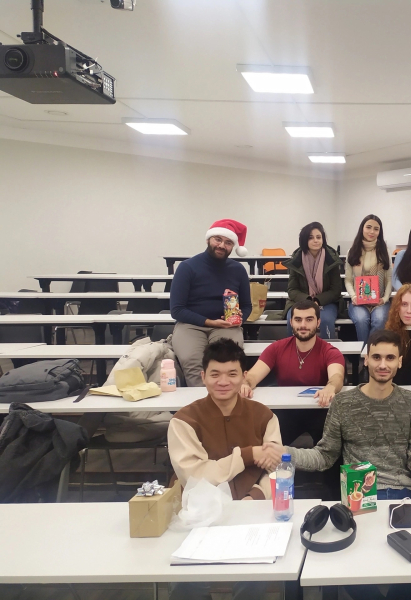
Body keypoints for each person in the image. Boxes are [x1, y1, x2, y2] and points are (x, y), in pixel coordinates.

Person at [260, 329, 411, 600]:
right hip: (357, 498)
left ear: (399, 362)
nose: (382, 364)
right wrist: (286, 452)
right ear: (365, 360)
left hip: (401, 496)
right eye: (376, 357)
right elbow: (325, 455)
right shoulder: (344, 403)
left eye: (389, 358)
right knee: (349, 564)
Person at [167, 339, 280, 600]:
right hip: (196, 512)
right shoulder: (184, 420)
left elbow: (275, 468)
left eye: (232, 374)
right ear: (203, 376)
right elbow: (195, 476)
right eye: (215, 374)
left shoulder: (264, 416)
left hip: (252, 507)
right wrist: (248, 454)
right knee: (188, 585)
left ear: (244, 377)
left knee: (252, 582)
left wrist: (257, 494)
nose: (223, 381)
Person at [240, 299, 345, 448]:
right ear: (291, 322)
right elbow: (253, 375)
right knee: (264, 447)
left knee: (332, 454)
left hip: (320, 411)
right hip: (286, 412)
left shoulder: (330, 351)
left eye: (309, 320)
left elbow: (337, 377)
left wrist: (330, 388)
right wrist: (246, 383)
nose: (303, 325)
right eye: (298, 320)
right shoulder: (276, 348)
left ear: (318, 322)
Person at [170, 219, 252, 387]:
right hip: (190, 325)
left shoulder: (238, 270)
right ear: (208, 240)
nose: (222, 245)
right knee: (192, 361)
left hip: (227, 327)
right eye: (218, 239)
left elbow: (247, 306)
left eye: (228, 242)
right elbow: (177, 310)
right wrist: (209, 322)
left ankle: (224, 403)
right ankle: (201, 406)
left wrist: (239, 318)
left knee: (226, 361)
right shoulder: (187, 267)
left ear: (233, 247)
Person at [283, 221, 343, 340]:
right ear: (304, 240)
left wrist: (317, 300)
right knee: (293, 319)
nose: (316, 240)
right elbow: (292, 289)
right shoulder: (296, 259)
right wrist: (308, 300)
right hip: (301, 301)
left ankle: (328, 354)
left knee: (325, 320)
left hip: (327, 302)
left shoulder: (332, 259)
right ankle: (293, 353)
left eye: (318, 237)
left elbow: (336, 290)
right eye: (311, 238)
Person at [345, 214, 392, 341]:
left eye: (376, 229)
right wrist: (354, 297)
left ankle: (372, 355)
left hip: (380, 301)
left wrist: (385, 298)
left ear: (380, 231)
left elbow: (389, 279)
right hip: (358, 302)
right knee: (361, 320)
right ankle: (364, 355)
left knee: (380, 319)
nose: (372, 232)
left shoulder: (384, 250)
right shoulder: (353, 251)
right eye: (368, 227)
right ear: (362, 228)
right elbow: (348, 280)